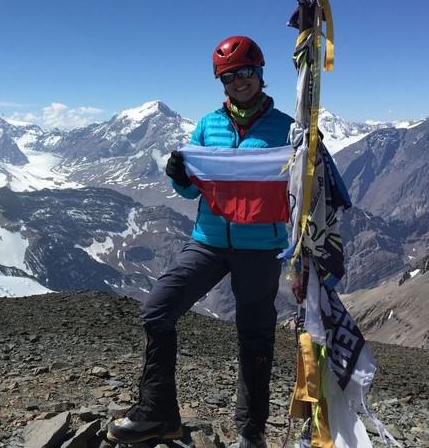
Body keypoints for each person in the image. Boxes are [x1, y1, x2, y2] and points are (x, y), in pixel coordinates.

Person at [106, 35, 293, 448]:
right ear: (221, 82)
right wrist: (178, 174)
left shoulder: (287, 129)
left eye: (245, 72)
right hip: (207, 240)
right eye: (229, 75)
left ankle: (251, 430)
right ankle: (158, 413)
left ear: (259, 73)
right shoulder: (208, 126)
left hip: (260, 246)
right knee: (157, 310)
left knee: (255, 334)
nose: (238, 81)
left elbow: (300, 189)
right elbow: (193, 192)